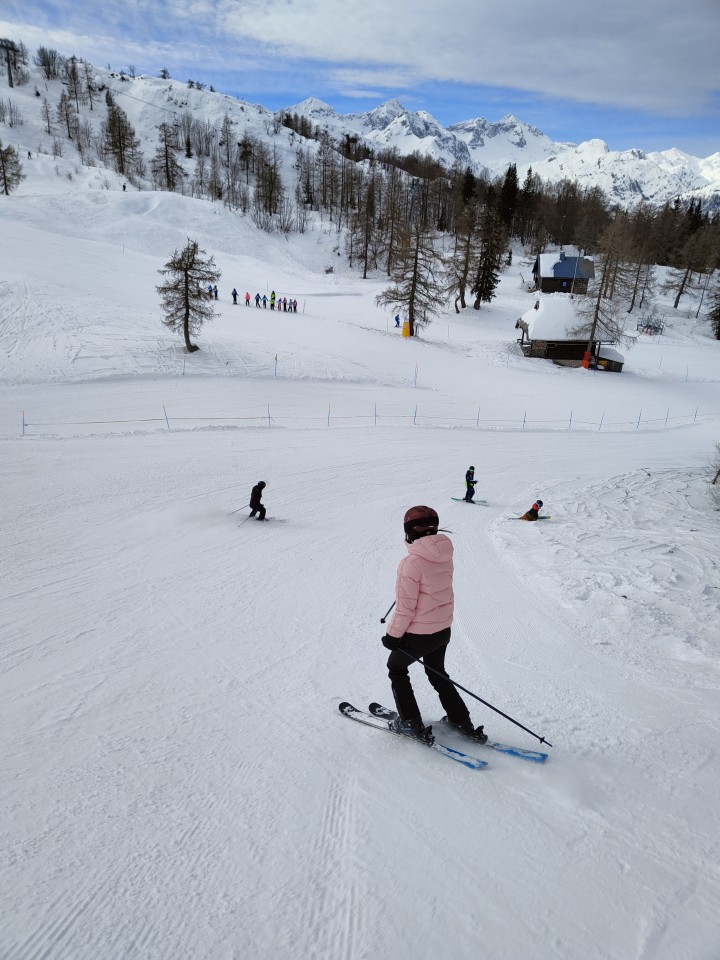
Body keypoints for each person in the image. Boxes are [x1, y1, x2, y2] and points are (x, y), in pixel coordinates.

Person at [381, 506, 487, 744]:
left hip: (419, 634)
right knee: (437, 673)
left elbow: (406, 609)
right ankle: (461, 720)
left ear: (409, 531)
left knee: (396, 668)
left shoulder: (412, 563)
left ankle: (409, 722)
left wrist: (392, 636)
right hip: (442, 630)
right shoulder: (444, 553)